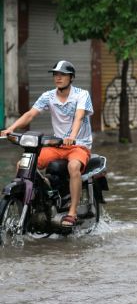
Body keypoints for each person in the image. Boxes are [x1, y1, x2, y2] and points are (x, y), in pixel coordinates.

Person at [1, 61, 93, 227]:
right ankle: (34, 203)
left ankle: (72, 213)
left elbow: (79, 117)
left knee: (73, 167)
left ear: (71, 77)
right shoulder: (48, 96)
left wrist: (72, 136)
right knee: (23, 165)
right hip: (57, 145)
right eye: (55, 74)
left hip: (79, 144)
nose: (58, 77)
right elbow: (30, 114)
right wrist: (10, 129)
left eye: (63, 74)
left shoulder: (81, 95)